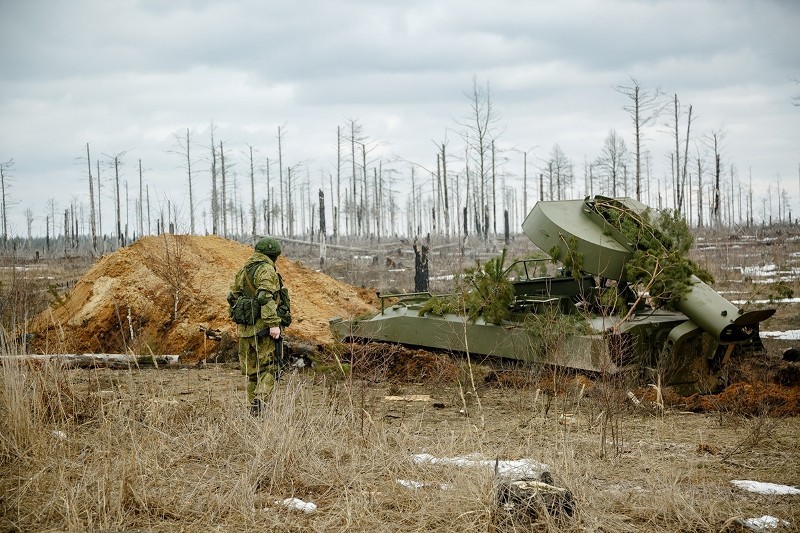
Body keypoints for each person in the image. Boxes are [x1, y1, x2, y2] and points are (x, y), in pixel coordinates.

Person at [227, 237, 286, 416]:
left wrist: (241, 320)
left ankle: (254, 413)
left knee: (253, 373)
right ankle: (259, 403)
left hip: (245, 331)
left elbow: (232, 297)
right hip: (263, 330)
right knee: (272, 368)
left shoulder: (244, 271)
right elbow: (264, 297)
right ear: (274, 255)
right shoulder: (266, 269)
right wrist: (273, 324)